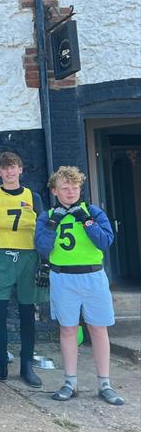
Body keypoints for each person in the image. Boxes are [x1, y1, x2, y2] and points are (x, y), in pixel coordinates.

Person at [35, 166, 124, 405]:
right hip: (63, 278)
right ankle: (70, 382)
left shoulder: (93, 212)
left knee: (98, 328)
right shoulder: (47, 216)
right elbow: (42, 248)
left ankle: (104, 383)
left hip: (93, 276)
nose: (71, 192)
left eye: (75, 187)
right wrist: (53, 225)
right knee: (68, 329)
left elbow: (104, 242)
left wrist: (87, 222)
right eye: (65, 188)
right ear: (55, 191)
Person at [0, 152, 46, 387]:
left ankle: (27, 364)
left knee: (27, 313)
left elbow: (44, 230)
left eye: (13, 167)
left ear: (20, 169)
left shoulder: (33, 197)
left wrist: (44, 262)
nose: (9, 171)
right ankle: (0, 365)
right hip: (2, 257)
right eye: (4, 168)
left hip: (29, 257)